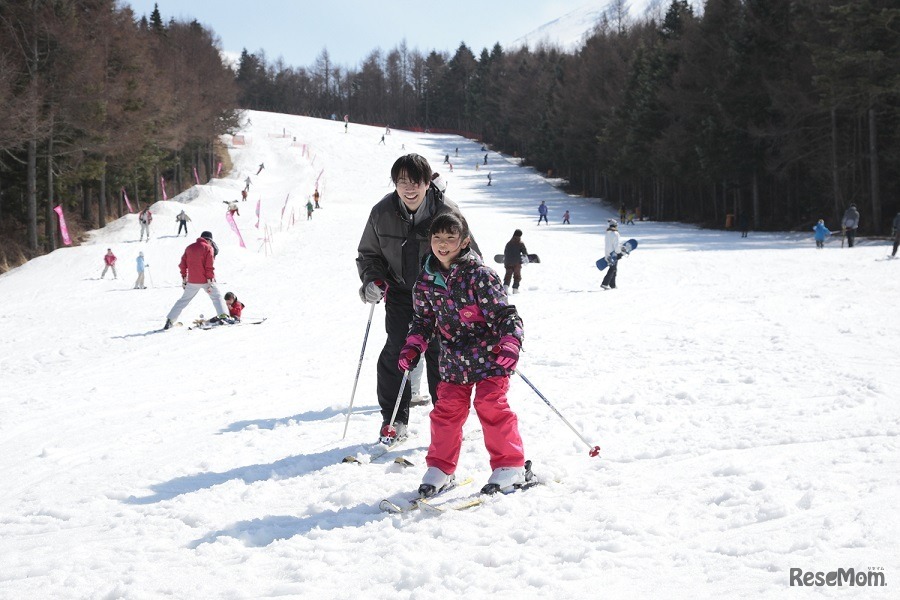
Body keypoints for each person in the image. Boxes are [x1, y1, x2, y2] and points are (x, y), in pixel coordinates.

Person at [399, 212, 526, 497]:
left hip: (490, 357)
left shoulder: (480, 276)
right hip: (454, 361)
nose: (443, 244)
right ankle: (441, 468)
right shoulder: (426, 281)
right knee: (446, 412)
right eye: (437, 238)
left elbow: (506, 315)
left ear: (465, 241)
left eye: (450, 238)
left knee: (490, 403)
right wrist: (414, 344)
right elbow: (422, 320)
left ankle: (510, 465)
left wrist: (510, 342)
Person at [357, 153, 480, 442]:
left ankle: (447, 420)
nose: (408, 189)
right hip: (400, 292)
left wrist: (463, 287)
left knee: (442, 354)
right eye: (402, 182)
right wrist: (372, 280)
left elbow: (471, 252)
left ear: (427, 183)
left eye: (415, 182)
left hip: (440, 294)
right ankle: (394, 420)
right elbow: (369, 254)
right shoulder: (382, 212)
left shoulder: (447, 211)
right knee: (397, 351)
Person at [163, 231, 227, 330]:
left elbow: (182, 265)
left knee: (183, 301)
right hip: (206, 280)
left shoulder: (189, 247)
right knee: (217, 297)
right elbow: (209, 267)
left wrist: (184, 279)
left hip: (192, 281)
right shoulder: (208, 248)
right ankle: (223, 316)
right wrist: (210, 282)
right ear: (208, 240)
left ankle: (170, 320)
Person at [601, 220, 627, 290]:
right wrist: (619, 252)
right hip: (614, 254)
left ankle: (612, 285)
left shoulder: (607, 233)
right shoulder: (615, 233)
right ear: (615, 225)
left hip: (608, 254)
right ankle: (605, 283)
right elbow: (616, 245)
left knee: (614, 269)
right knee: (612, 269)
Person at [502, 229, 528, 294]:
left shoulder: (508, 243)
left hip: (507, 262)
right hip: (517, 263)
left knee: (508, 275)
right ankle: (515, 290)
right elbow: (525, 253)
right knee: (517, 276)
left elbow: (505, 252)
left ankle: (505, 289)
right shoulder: (520, 243)